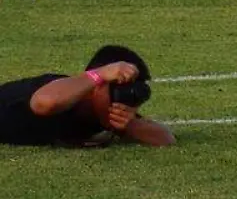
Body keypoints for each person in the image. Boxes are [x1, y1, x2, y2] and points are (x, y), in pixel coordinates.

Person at [0, 45, 173, 147]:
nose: (121, 102)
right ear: (96, 86)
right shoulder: (59, 89)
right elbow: (43, 104)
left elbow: (165, 139)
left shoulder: (107, 111)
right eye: (117, 93)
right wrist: (100, 75)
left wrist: (131, 125)